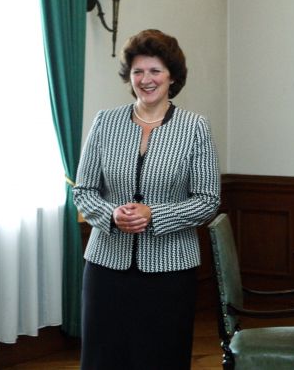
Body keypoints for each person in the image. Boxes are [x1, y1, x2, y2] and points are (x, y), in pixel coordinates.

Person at [74, 29, 220, 370]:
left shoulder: (195, 127)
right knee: (102, 359)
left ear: (172, 76)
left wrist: (153, 214)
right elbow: (83, 191)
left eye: (155, 70)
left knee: (160, 358)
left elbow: (208, 199)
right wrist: (112, 215)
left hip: (170, 271)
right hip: (106, 268)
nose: (146, 79)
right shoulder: (105, 122)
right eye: (138, 71)